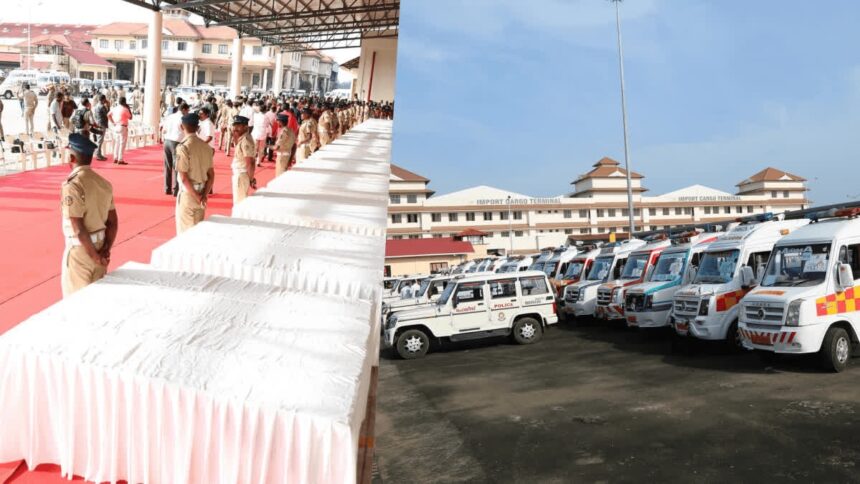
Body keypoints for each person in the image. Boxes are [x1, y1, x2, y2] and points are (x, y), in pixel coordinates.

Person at [60, 133, 118, 297]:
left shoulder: (73, 185)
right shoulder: (103, 183)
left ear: (72, 157)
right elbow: (113, 222)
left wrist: (94, 256)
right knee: (95, 301)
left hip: (81, 251)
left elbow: (78, 227)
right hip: (100, 247)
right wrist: (105, 249)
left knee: (76, 303)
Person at [175, 112, 215, 235]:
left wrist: (197, 196)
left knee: (185, 236)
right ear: (198, 128)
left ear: (182, 127)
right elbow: (211, 175)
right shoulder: (206, 147)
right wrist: (204, 195)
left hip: (189, 195)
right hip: (202, 192)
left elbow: (184, 177)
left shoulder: (183, 147)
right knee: (197, 235)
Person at [161, 103, 189, 195]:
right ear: (184, 110)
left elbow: (164, 130)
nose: (187, 113)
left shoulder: (170, 117)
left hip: (167, 141)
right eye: (187, 111)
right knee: (177, 166)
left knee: (167, 166)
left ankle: (167, 188)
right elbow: (184, 129)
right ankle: (176, 189)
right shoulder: (182, 118)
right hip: (176, 142)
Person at [230, 115, 256, 206]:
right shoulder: (243, 138)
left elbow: (250, 163)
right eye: (234, 125)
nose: (235, 128)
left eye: (238, 125)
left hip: (241, 175)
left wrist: (251, 179)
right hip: (241, 175)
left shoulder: (245, 141)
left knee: (239, 204)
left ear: (246, 127)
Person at [108, 97, 133, 165]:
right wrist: (128, 108)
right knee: (122, 144)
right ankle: (120, 159)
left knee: (117, 143)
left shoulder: (115, 108)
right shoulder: (125, 109)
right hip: (122, 127)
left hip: (116, 127)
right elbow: (130, 117)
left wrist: (113, 122)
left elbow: (108, 115)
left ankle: (115, 158)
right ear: (124, 102)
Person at [251, 102, 270, 171]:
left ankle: (252, 159)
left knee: (254, 148)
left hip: (255, 133)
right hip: (262, 134)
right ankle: (258, 162)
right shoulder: (266, 117)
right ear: (265, 110)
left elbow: (252, 122)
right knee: (261, 149)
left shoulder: (255, 115)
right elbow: (267, 125)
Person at [92, 95, 110, 161]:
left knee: (99, 140)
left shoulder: (96, 106)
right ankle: (98, 155)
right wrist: (108, 105)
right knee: (100, 140)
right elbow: (108, 113)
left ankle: (98, 153)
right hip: (102, 124)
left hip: (97, 123)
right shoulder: (102, 106)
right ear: (103, 100)